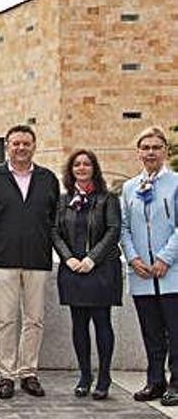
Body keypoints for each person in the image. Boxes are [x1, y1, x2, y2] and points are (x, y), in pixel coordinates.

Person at [0, 124, 59, 399]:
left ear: (34, 146)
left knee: (34, 319)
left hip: (38, 258)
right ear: (7, 146)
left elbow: (55, 221)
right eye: (16, 144)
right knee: (4, 319)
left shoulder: (49, 179)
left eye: (26, 143)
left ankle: (29, 372)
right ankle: (6, 374)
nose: (21, 148)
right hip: (2, 259)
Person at [51, 149, 121, 400]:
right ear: (71, 170)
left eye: (86, 164)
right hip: (72, 270)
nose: (81, 168)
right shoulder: (62, 200)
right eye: (76, 165)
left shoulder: (107, 198)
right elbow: (54, 232)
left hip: (100, 269)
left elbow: (113, 231)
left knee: (102, 322)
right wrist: (68, 257)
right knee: (78, 324)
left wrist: (92, 259)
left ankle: (104, 376)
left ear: (94, 168)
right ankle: (84, 375)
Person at [120, 126, 178, 406]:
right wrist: (133, 258)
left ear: (165, 150)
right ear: (138, 153)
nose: (151, 152)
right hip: (142, 273)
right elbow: (124, 227)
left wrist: (165, 258)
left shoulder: (176, 182)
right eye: (146, 148)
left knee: (176, 331)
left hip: (171, 272)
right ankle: (155, 380)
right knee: (151, 331)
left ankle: (176, 382)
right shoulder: (130, 187)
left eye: (156, 147)